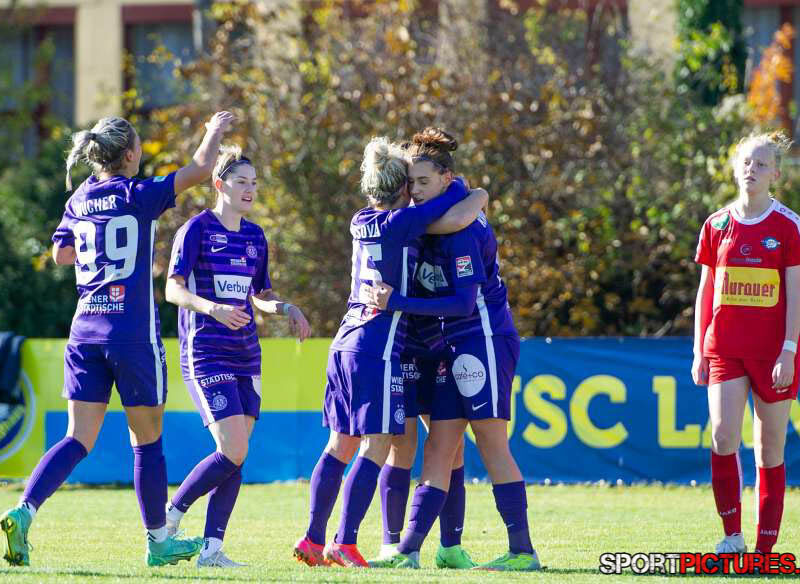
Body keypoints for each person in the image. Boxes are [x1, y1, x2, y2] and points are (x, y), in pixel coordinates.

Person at [0, 111, 234, 567]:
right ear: (128, 155)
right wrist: (212, 130)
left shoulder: (80, 197)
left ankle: (23, 510)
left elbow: (60, 253)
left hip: (84, 331)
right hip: (131, 333)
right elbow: (201, 168)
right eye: (139, 145)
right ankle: (158, 542)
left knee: (76, 438)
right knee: (147, 440)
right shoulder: (138, 194)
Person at [292, 136, 487, 568]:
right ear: (401, 189)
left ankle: (312, 538)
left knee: (340, 444)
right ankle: (344, 542)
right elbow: (454, 205)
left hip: (344, 340)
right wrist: (476, 191)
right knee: (377, 443)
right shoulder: (402, 222)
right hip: (377, 346)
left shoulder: (360, 220)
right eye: (410, 184)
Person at [366, 128, 541, 571]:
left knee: (491, 443)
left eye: (423, 181)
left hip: (483, 339)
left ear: (446, 179)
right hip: (453, 345)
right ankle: (407, 551)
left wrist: (396, 302)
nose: (415, 190)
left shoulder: (461, 230)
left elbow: (464, 303)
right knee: (440, 448)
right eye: (411, 182)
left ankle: (523, 551)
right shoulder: (444, 214)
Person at [164, 144, 310, 567]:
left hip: (246, 354)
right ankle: (170, 516)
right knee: (233, 448)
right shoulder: (195, 229)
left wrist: (285, 308)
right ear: (219, 184)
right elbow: (172, 289)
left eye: (254, 183)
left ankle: (212, 550)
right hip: (206, 352)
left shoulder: (255, 236)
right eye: (241, 182)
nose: (250, 189)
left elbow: (258, 295)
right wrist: (212, 309)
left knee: (237, 453)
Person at [692, 131, 799, 559]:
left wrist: (789, 349)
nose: (752, 170)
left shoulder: (788, 226)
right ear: (737, 169)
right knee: (722, 437)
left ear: (775, 174)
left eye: (761, 164)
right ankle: (732, 537)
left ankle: (765, 550)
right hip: (724, 349)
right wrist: (699, 350)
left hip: (773, 354)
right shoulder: (716, 224)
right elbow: (705, 291)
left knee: (770, 448)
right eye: (746, 163)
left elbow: (796, 294)